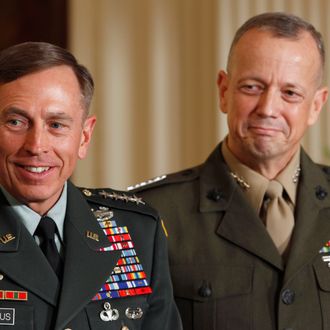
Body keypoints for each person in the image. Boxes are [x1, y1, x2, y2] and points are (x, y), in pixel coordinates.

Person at [129, 12, 330, 330]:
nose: (267, 108)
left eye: (290, 93)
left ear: (317, 105)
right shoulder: (151, 215)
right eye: (252, 87)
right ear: (224, 91)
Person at [0, 42, 182, 330]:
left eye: (56, 125)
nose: (36, 146)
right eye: (16, 121)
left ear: (84, 137)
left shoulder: (138, 231)